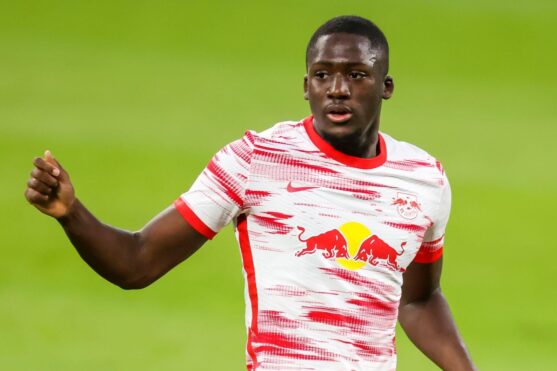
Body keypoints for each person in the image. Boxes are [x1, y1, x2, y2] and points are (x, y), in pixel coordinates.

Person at [25, 15, 475, 371]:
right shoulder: (255, 161)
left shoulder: (423, 179)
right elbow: (136, 261)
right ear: (306, 87)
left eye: (356, 75)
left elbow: (419, 298)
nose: (338, 89)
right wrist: (71, 212)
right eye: (322, 75)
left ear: (386, 87)